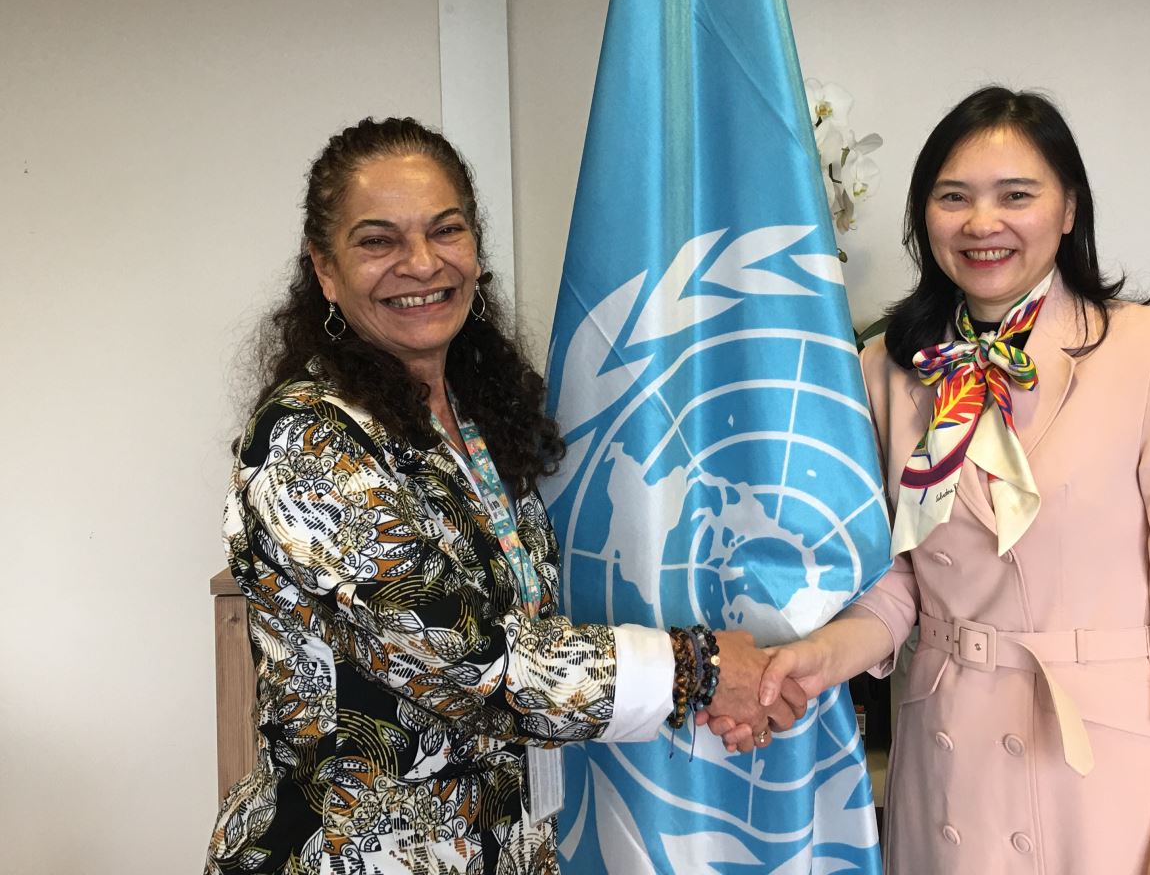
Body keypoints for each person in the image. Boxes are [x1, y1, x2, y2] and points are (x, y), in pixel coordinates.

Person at [205, 117, 804, 875]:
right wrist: (702, 670)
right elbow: (471, 661)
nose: (421, 263)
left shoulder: (474, 416)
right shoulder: (306, 439)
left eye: (445, 230)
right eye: (378, 241)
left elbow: (527, 626)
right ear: (325, 270)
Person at [716, 87, 1150, 873]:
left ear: (1069, 210)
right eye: (954, 197)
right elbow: (900, 578)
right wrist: (823, 655)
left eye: (1017, 196)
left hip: (1102, 779)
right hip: (947, 772)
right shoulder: (887, 369)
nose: (981, 223)